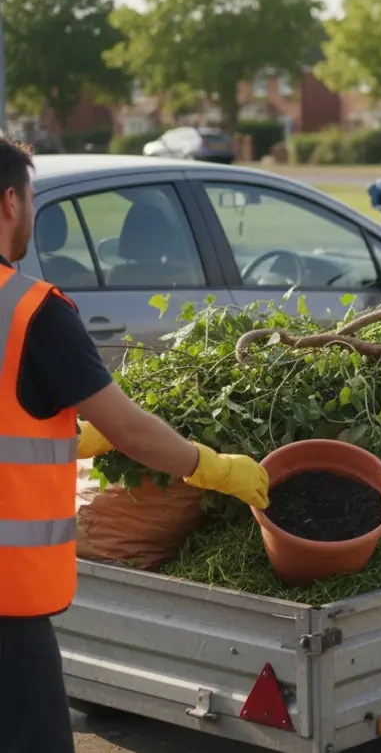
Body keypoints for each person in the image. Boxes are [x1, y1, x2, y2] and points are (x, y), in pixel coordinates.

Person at [0, 138, 270, 753]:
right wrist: (212, 467)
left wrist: (69, 438)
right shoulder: (31, 311)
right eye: (33, 199)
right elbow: (130, 428)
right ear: (11, 202)